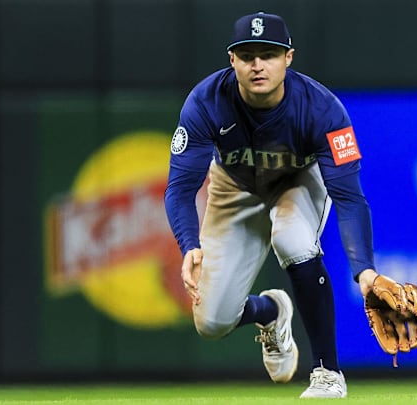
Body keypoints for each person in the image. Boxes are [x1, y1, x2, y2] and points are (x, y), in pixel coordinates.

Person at [164, 11, 383, 398]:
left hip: (297, 181)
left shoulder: (322, 109)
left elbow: (349, 196)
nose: (258, 64)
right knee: (212, 322)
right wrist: (189, 244)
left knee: (294, 241)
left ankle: (327, 372)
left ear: (289, 58)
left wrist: (364, 270)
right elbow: (180, 189)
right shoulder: (206, 102)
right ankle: (270, 313)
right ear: (232, 60)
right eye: (247, 55)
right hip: (235, 189)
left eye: (269, 54)